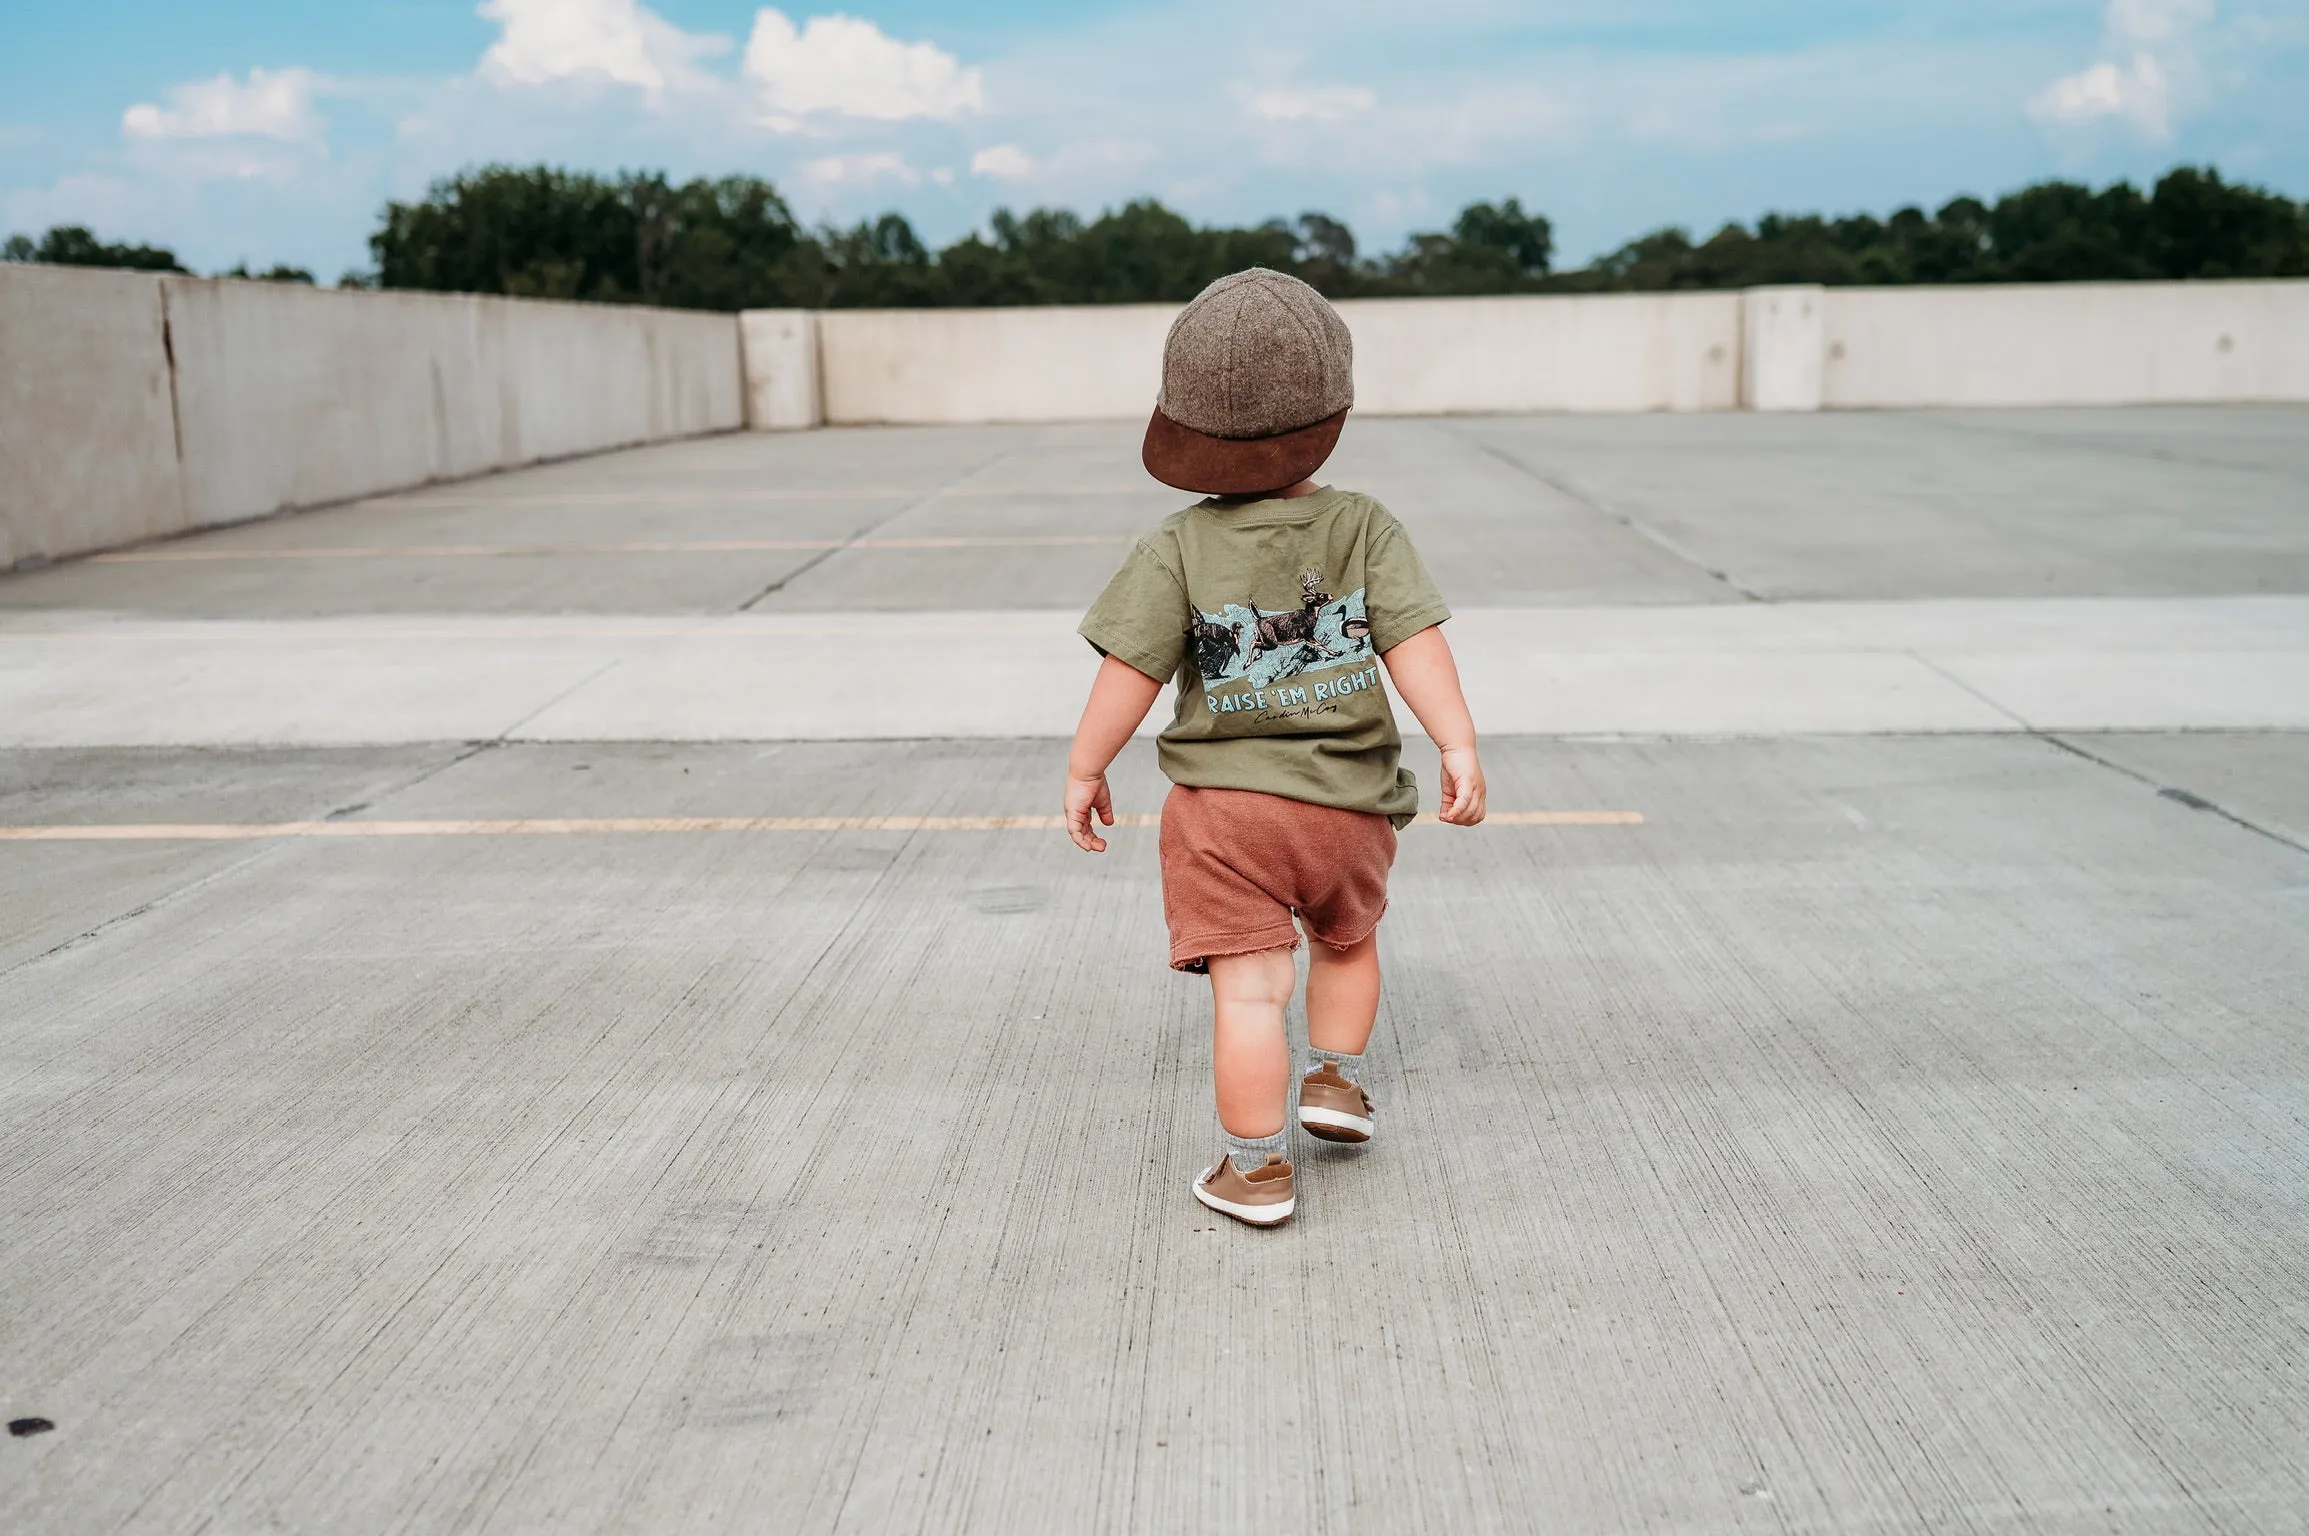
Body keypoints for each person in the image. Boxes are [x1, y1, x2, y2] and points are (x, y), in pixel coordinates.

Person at [1064, 268, 1487, 1228]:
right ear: (1330, 413)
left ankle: (1253, 1172)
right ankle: (1334, 1082)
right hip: (1350, 806)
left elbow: (1127, 672)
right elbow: (1415, 641)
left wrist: (1087, 767)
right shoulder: (1364, 525)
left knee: (1250, 995)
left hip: (1225, 817)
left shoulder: (1175, 546)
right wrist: (1455, 741)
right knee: (1347, 940)